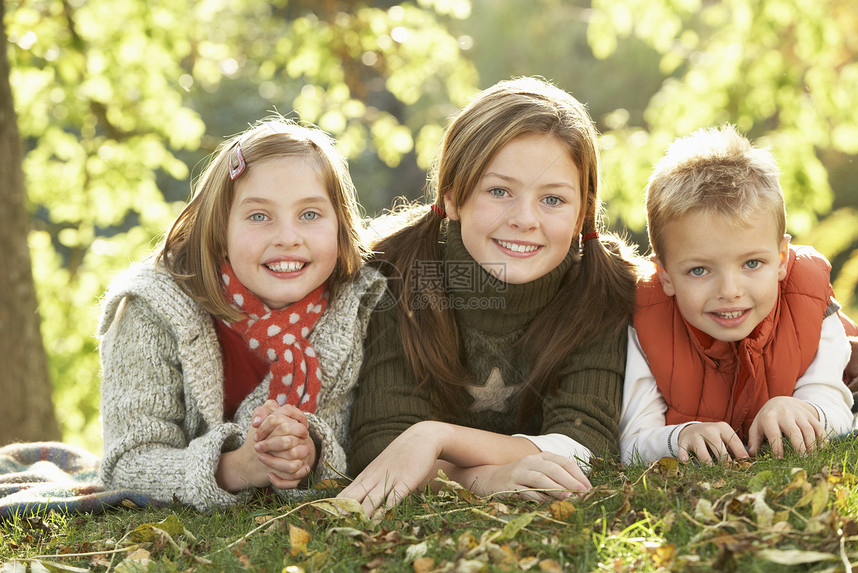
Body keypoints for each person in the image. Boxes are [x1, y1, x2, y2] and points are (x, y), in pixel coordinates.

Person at [339, 77, 644, 514]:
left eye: (553, 199)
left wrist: (436, 437)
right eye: (499, 191)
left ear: (583, 212)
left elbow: (582, 445)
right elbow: (384, 447)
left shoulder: (601, 288)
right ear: (454, 195)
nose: (524, 219)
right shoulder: (397, 274)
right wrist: (485, 479)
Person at [97, 116, 385, 511]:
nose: (287, 237)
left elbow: (363, 441)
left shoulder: (357, 305)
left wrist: (310, 453)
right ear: (220, 230)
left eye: (310, 214)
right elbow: (127, 465)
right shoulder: (153, 312)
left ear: (340, 227)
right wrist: (238, 467)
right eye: (259, 216)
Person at [621, 124, 857, 466]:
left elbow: (836, 405)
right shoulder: (645, 319)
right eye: (699, 270)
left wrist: (803, 409)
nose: (729, 292)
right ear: (665, 275)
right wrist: (679, 437)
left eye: (752, 263)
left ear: (780, 259)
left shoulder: (809, 301)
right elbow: (634, 441)